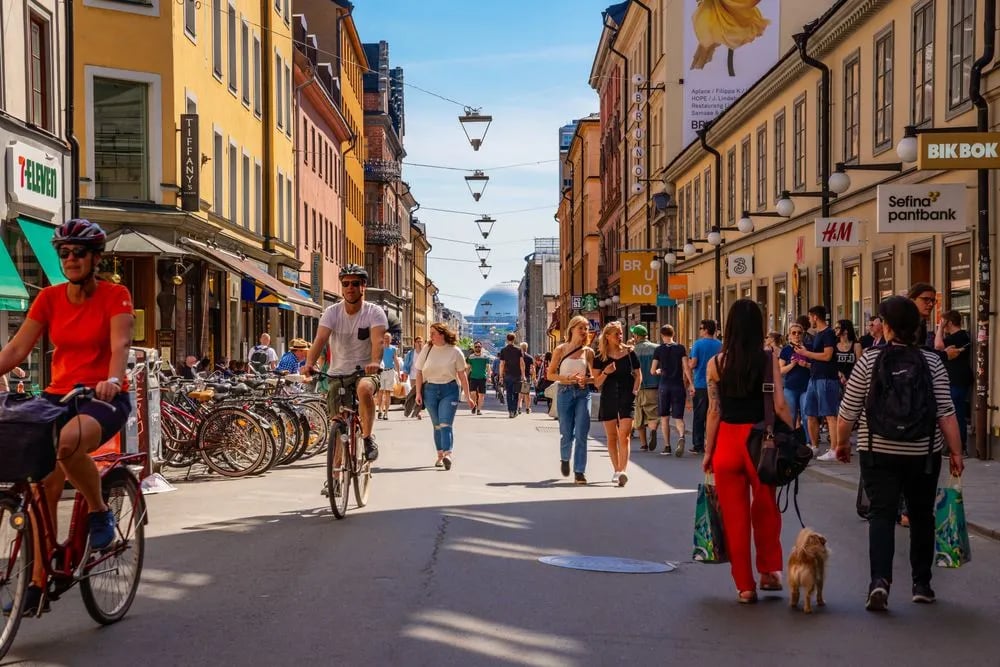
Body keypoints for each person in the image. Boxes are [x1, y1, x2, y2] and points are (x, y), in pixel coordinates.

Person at [0, 219, 133, 614]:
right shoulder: (49, 298)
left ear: (95, 258)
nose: (70, 259)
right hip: (57, 396)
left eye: (79, 252)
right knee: (42, 489)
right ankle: (39, 581)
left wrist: (113, 377)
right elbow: (17, 349)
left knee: (68, 442)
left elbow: (121, 343)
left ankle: (99, 510)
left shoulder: (115, 295)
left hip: (102, 397)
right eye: (64, 253)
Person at [836, 296, 964, 611]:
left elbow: (847, 411)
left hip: (877, 450)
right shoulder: (932, 361)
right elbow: (946, 413)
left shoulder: (869, 359)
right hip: (923, 453)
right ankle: (921, 583)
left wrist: (841, 444)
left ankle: (880, 581)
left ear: (888, 327)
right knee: (922, 515)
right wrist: (957, 453)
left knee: (881, 513)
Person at [703, 299, 793, 604]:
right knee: (766, 507)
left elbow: (714, 411)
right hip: (760, 442)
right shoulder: (769, 360)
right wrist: (792, 434)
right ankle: (769, 571)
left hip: (727, 443)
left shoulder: (715, 364)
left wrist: (707, 451)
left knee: (734, 518)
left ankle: (745, 586)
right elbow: (779, 404)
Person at [304, 264, 386, 466]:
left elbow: (378, 341)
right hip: (337, 373)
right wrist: (308, 364)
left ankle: (367, 438)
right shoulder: (332, 312)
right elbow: (320, 339)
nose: (350, 287)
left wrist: (375, 361)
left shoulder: (374, 312)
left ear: (363, 286)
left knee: (365, 388)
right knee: (338, 424)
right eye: (346, 283)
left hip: (365, 370)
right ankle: (334, 476)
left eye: (355, 283)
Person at [414, 322, 475, 470]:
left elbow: (462, 375)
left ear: (442, 334)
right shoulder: (427, 349)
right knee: (437, 425)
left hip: (450, 390)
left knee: (445, 423)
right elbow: (419, 372)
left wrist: (468, 396)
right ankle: (440, 456)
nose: (431, 336)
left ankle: (448, 454)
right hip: (430, 390)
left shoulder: (455, 352)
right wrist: (418, 393)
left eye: (433, 333)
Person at [592, 321, 641, 487]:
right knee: (612, 436)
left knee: (624, 436)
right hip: (609, 397)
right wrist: (606, 372)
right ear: (607, 336)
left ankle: (623, 471)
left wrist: (635, 390)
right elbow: (597, 383)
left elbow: (638, 375)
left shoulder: (629, 353)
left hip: (627, 396)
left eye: (621, 333)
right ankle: (616, 470)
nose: (620, 337)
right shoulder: (600, 357)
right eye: (616, 334)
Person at [548, 315, 594, 484]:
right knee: (566, 432)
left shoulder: (588, 352)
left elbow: (595, 378)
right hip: (564, 392)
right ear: (572, 329)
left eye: (586, 328)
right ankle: (565, 458)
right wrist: (567, 378)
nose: (584, 331)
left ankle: (579, 472)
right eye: (581, 328)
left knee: (582, 433)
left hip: (583, 393)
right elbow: (550, 374)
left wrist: (585, 380)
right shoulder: (561, 349)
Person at [796, 305, 840, 460]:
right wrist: (807, 362)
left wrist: (806, 353)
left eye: (810, 317)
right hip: (814, 377)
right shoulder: (818, 335)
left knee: (829, 414)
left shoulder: (828, 333)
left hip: (826, 378)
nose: (809, 320)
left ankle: (834, 449)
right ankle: (814, 446)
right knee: (810, 413)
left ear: (815, 317)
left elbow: (828, 356)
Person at [650, 324, 693, 456]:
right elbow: (686, 368)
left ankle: (667, 446)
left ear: (662, 335)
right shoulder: (680, 348)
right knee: (678, 417)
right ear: (673, 334)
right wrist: (691, 384)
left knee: (664, 418)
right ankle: (681, 436)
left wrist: (658, 371)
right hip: (678, 386)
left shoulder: (658, 350)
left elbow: (652, 371)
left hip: (664, 385)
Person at [935, 310, 972, 455]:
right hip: (956, 378)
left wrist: (939, 329)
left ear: (949, 323)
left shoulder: (958, 337)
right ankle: (953, 445)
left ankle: (959, 446)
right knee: (954, 412)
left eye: (943, 322)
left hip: (957, 378)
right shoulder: (961, 336)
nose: (942, 325)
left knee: (956, 413)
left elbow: (938, 346)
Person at [689, 319, 722, 456]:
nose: (700, 331)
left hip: (701, 384)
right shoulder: (720, 345)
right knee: (715, 413)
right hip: (717, 384)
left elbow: (693, 363)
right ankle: (714, 443)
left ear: (706, 330)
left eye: (701, 328)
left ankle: (698, 445)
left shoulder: (698, 344)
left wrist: (688, 365)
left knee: (699, 415)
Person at [779, 323, 811, 444]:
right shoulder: (786, 350)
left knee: (806, 415)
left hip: (806, 386)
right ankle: (790, 441)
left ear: (803, 335)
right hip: (790, 387)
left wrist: (806, 364)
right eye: (794, 333)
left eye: (799, 332)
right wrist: (792, 365)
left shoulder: (808, 348)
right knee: (790, 416)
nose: (797, 335)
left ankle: (808, 442)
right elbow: (780, 370)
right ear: (789, 336)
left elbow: (816, 367)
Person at [498, 333, 526, 418]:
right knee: (516, 393)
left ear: (507, 340)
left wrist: (501, 376)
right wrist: (523, 375)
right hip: (517, 375)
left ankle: (510, 411)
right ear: (514, 339)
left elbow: (502, 364)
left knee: (509, 393)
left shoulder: (503, 350)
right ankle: (515, 410)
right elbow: (521, 363)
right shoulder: (518, 350)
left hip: (508, 375)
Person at [377, 332, 400, 421]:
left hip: (390, 371)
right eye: (385, 338)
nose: (386, 339)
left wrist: (398, 372)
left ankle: (386, 412)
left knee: (387, 392)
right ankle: (380, 410)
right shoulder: (380, 348)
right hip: (381, 372)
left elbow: (396, 360)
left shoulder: (393, 349)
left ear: (390, 340)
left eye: (388, 338)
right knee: (380, 391)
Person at [401, 336, 425, 420]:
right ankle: (415, 410)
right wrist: (405, 375)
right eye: (418, 341)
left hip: (424, 377)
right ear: (414, 343)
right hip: (413, 376)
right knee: (415, 394)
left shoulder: (425, 353)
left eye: (421, 341)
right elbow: (406, 365)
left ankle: (418, 411)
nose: (420, 343)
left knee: (421, 393)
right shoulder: (411, 353)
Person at [466, 341, 492, 415]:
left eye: (479, 346)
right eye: (476, 347)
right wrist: (465, 376)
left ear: (481, 347)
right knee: (473, 393)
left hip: (482, 377)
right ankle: (474, 405)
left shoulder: (485, 357)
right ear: (474, 348)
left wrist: (489, 376)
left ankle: (479, 410)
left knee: (481, 394)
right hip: (473, 377)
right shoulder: (471, 357)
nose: (478, 348)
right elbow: (468, 368)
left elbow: (488, 367)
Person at [834, 320, 863, 386]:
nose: (835, 330)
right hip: (836, 381)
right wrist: (839, 374)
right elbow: (831, 365)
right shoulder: (834, 345)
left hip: (852, 382)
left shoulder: (856, 346)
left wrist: (851, 380)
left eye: (838, 328)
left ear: (846, 330)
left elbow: (859, 367)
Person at [518, 342, 535, 414]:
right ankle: (527, 408)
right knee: (527, 393)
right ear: (526, 348)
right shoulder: (530, 358)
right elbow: (532, 369)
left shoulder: (518, 357)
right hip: (527, 377)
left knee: (520, 393)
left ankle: (519, 407)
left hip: (519, 376)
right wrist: (534, 377)